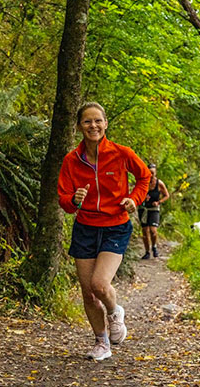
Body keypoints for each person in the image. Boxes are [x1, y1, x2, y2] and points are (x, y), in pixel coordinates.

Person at [57, 102, 151, 362]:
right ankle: (102, 342)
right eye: (87, 122)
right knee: (88, 292)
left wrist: (134, 198)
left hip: (115, 226)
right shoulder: (71, 160)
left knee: (100, 284)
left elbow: (144, 178)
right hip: (85, 228)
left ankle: (114, 311)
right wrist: (74, 199)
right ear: (79, 126)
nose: (93, 126)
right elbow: (63, 200)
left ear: (106, 124)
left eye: (98, 120)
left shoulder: (121, 153)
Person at [138, 163, 170, 259]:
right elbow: (137, 194)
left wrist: (158, 202)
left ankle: (154, 247)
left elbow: (167, 195)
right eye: (149, 173)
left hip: (154, 209)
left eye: (152, 173)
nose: (151, 175)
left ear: (155, 173)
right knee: (145, 231)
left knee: (153, 230)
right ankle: (147, 251)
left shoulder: (159, 184)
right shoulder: (142, 182)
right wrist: (142, 198)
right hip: (143, 209)